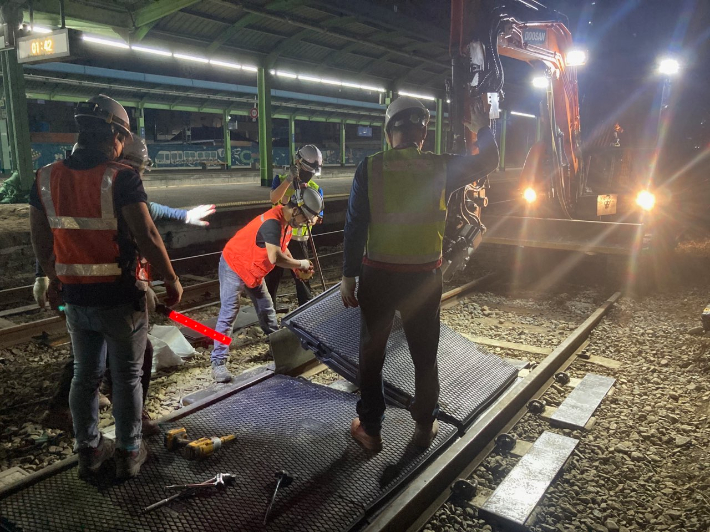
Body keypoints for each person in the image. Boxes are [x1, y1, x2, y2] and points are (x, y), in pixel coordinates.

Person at [30, 95, 183, 480]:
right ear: (116, 134)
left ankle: (89, 451)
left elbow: (41, 238)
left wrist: (51, 278)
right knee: (127, 376)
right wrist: (171, 278)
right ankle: (130, 451)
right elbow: (146, 233)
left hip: (76, 299)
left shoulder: (45, 176)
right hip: (119, 298)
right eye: (122, 137)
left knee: (85, 375)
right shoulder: (121, 177)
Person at [340, 96, 498, 452]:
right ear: (423, 133)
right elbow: (490, 160)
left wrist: (348, 274)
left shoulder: (372, 166)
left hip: (378, 276)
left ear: (388, 132)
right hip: (424, 278)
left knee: (372, 354)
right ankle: (425, 425)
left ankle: (370, 429)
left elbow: (355, 224)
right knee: (424, 356)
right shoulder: (439, 166)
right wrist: (481, 126)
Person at [36, 136, 215, 437]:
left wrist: (185, 215)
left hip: (77, 288)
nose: (140, 174)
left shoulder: (80, 181)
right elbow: (147, 232)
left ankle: (86, 443)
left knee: (87, 360)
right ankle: (131, 438)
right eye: (139, 168)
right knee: (131, 359)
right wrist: (170, 280)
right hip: (113, 290)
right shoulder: (118, 183)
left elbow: (46, 230)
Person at [211, 187, 324, 383]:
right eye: (304, 219)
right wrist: (301, 264)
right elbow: (274, 256)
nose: (303, 223)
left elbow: (283, 246)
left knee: (266, 307)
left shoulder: (286, 221)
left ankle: (276, 347)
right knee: (230, 311)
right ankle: (218, 362)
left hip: (253, 268)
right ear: (296, 210)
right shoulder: (272, 223)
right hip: (235, 264)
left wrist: (296, 269)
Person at [265, 145, 324, 306]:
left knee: (302, 276)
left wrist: (307, 218)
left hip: (299, 239)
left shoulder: (316, 189)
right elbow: (274, 199)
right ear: (298, 162)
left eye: (312, 172)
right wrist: (289, 180)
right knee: (272, 275)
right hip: (278, 238)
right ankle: (268, 309)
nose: (309, 175)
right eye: (307, 170)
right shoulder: (281, 179)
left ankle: (306, 308)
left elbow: (317, 218)